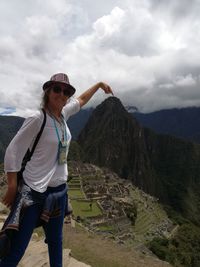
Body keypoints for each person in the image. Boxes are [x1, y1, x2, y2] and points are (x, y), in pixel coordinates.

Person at [0, 73, 113, 267]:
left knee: (55, 242)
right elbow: (13, 151)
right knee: (16, 249)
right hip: (33, 194)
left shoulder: (63, 115)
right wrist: (12, 186)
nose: (62, 94)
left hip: (59, 192)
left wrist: (99, 84)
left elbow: (82, 100)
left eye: (66, 91)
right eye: (57, 89)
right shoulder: (38, 118)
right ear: (48, 91)